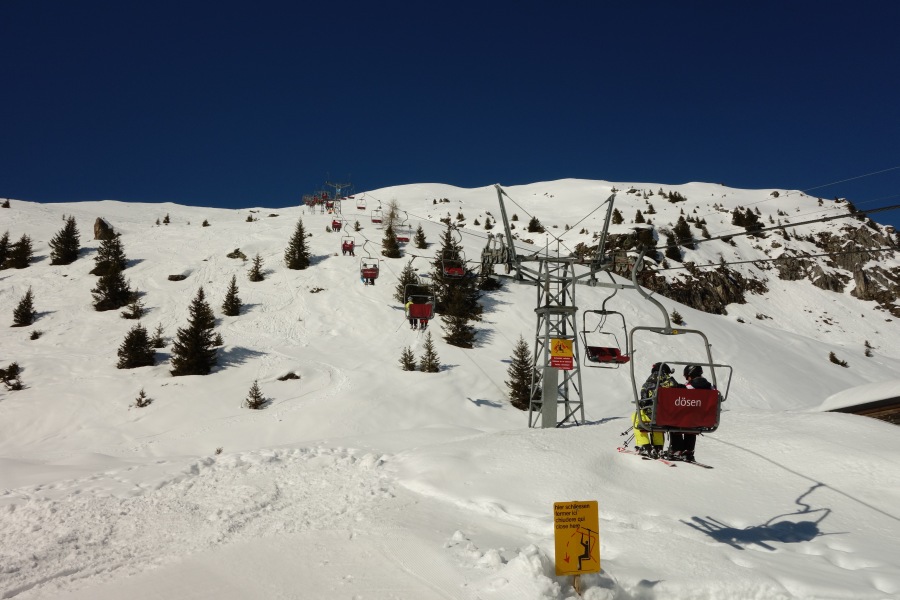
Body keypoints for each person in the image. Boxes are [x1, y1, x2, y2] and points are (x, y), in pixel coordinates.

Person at [634, 362, 682, 458]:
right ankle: (658, 447)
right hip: (669, 415)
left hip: (653, 415)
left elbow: (643, 402)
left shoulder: (648, 384)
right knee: (659, 419)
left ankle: (646, 446)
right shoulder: (672, 383)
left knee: (637, 417)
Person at [666, 365, 712, 462]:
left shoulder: (690, 387)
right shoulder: (710, 387)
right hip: (703, 417)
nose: (687, 379)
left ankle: (677, 449)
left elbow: (682, 394)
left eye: (687, 377)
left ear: (690, 375)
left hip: (688, 417)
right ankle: (688, 450)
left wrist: (676, 385)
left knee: (675, 420)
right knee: (692, 424)